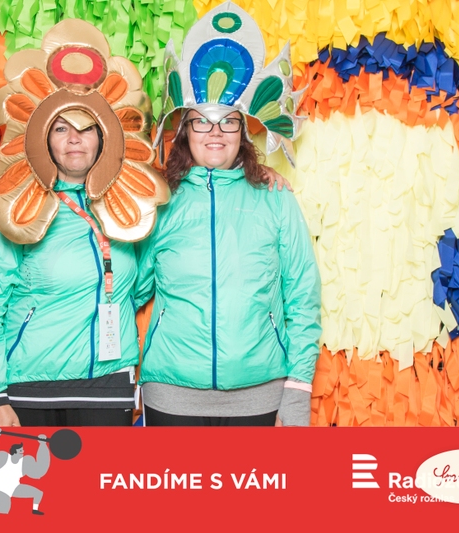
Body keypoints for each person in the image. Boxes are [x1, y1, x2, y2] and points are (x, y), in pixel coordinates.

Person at [0, 18, 292, 429]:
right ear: (43, 135)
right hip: (29, 389)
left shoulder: (132, 204)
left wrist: (254, 173)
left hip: (109, 389)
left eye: (86, 129)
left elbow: (144, 282)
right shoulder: (18, 208)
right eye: (62, 128)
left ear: (103, 136)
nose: (74, 139)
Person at [134, 4, 322, 427]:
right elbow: (132, 287)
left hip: (259, 394)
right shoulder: (161, 201)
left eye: (228, 122)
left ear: (243, 130)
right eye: (202, 122)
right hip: (171, 394)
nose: (215, 133)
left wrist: (298, 387)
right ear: (185, 130)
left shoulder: (276, 198)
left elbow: (302, 297)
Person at [0, 430, 49, 515]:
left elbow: (40, 469)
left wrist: (42, 444)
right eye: (20, 450)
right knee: (4, 509)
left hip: (14, 487)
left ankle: (35, 510)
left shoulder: (24, 463)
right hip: (0, 488)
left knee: (38, 493)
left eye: (23, 450)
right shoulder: (4, 458)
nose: (23, 452)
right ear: (14, 452)